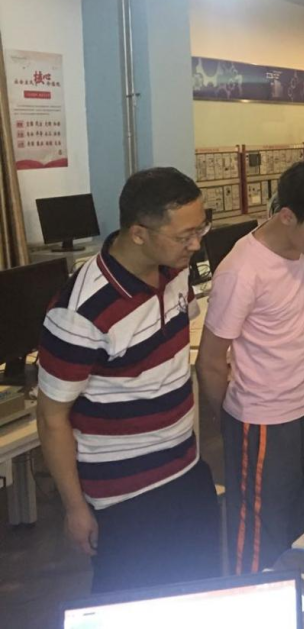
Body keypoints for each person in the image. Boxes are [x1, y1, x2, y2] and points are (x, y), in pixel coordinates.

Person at [36, 168, 219, 594]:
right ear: (138, 233)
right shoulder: (80, 311)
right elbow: (51, 417)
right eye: (185, 235)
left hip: (186, 469)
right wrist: (75, 508)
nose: (196, 244)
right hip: (124, 495)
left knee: (200, 592)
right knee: (132, 602)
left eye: (201, 229)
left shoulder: (175, 272)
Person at [197, 159, 304, 575]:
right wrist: (231, 420)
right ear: (287, 215)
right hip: (263, 421)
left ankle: (296, 598)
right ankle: (254, 603)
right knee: (260, 536)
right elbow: (210, 362)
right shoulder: (242, 270)